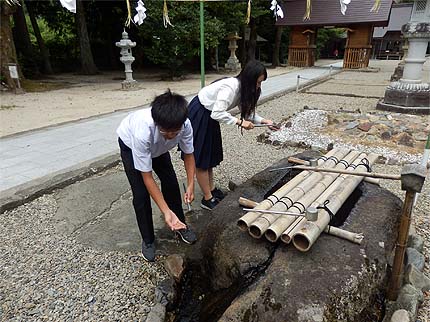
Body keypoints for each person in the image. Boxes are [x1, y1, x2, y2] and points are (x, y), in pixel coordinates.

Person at [117, 90, 197, 262]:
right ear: (157, 123)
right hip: (130, 146)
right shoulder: (142, 132)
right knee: (140, 194)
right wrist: (165, 211)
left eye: (174, 132)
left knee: (171, 183)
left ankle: (180, 225)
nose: (170, 136)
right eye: (165, 131)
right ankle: (148, 240)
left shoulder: (185, 125)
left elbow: (189, 154)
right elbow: (147, 177)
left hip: (159, 149)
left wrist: (191, 184)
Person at [185, 60, 276, 211]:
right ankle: (207, 199)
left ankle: (212, 190)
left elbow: (247, 113)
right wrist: (239, 122)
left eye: (261, 83)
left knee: (210, 157)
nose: (259, 86)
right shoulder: (231, 88)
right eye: (258, 82)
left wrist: (265, 121)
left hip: (210, 117)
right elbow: (217, 113)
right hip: (200, 114)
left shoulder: (244, 89)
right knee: (201, 159)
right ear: (249, 79)